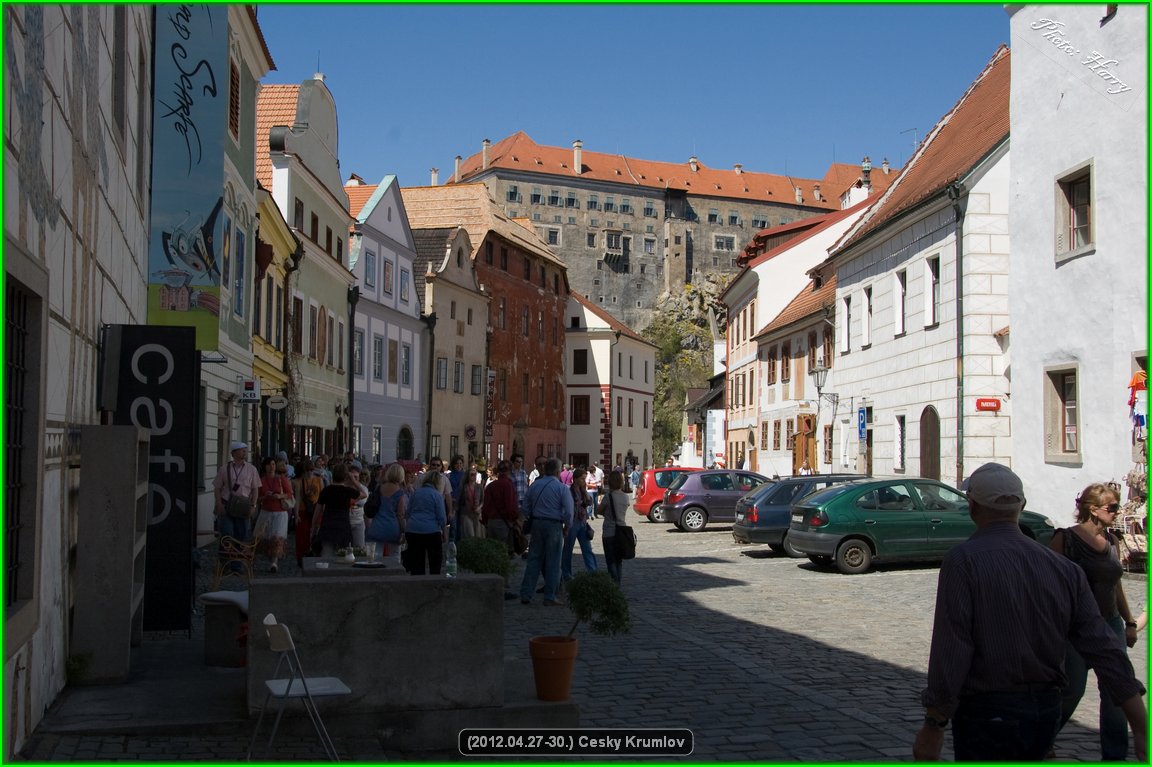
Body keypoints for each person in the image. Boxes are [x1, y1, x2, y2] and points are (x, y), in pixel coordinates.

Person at [914, 463, 1148, 763]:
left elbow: (953, 647)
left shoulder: (963, 562)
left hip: (987, 713)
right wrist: (1141, 726)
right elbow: (1106, 649)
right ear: (1021, 505)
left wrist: (934, 725)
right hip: (1044, 711)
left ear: (972, 506)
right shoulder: (1064, 569)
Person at [1049, 482, 1140, 760]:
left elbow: (1115, 586)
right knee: (1071, 692)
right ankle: (1042, 738)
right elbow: (1048, 583)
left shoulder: (1112, 542)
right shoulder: (1066, 539)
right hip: (1076, 628)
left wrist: (1129, 622)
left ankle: (1115, 756)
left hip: (1109, 625)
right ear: (1092, 509)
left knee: (1117, 692)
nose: (1117, 511)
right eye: (1112, 508)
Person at [518, 458, 573, 605]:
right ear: (557, 471)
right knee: (553, 561)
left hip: (537, 523)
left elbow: (525, 507)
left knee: (534, 559)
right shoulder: (561, 488)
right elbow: (568, 512)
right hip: (554, 525)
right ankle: (550, 596)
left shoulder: (535, 485)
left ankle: (526, 593)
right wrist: (567, 527)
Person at [213, 441, 261, 542]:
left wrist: (253, 506)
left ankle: (239, 556)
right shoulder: (224, 469)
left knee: (241, 535)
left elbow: (255, 488)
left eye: (245, 450)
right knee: (227, 534)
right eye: (242, 450)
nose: (244, 452)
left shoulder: (252, 469)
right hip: (227, 504)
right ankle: (226, 556)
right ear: (233, 453)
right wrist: (219, 503)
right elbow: (217, 487)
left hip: (243, 506)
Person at [310, 463, 362, 557]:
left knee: (326, 555)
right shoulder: (347, 491)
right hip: (343, 527)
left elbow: (317, 511)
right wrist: (354, 480)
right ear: (345, 476)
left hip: (328, 526)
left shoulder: (326, 490)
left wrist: (313, 528)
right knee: (343, 556)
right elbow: (364, 494)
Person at [254, 457, 293, 573]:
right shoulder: (261, 480)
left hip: (280, 513)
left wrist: (279, 496)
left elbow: (289, 493)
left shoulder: (282, 479)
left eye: (273, 464)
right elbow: (257, 498)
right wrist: (265, 497)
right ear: (265, 467)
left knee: (277, 537)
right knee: (264, 538)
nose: (271, 467)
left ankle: (274, 562)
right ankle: (269, 557)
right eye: (269, 464)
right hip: (266, 512)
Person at [405, 470, 449, 575]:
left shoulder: (416, 493)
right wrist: (444, 532)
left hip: (413, 529)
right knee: (435, 562)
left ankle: (417, 586)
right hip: (432, 530)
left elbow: (408, 512)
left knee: (416, 563)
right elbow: (442, 517)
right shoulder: (437, 495)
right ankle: (433, 585)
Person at [366, 463, 407, 567]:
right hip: (393, 527)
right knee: (395, 555)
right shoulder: (400, 493)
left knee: (376, 556)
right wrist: (404, 531)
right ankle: (393, 576)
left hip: (377, 526)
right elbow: (400, 514)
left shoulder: (379, 488)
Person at [562, 468, 597, 583]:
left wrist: (586, 495)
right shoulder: (569, 490)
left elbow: (590, 502)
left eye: (584, 478)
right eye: (582, 478)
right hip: (572, 523)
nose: (584, 481)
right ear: (575, 479)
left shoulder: (583, 490)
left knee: (587, 549)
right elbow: (571, 506)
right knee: (567, 550)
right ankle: (566, 574)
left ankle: (593, 573)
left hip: (582, 522)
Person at [599, 470, 631, 584]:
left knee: (610, 560)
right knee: (618, 560)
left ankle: (614, 582)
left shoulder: (608, 497)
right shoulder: (626, 497)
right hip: (622, 530)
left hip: (609, 531)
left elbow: (599, 510)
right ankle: (618, 583)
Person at [293, 458, 323, 567]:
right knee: (302, 535)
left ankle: (314, 554)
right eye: (307, 470)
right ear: (304, 471)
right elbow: (298, 499)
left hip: (316, 509)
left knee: (315, 534)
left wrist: (322, 511)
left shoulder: (319, 480)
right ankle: (301, 556)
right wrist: (296, 515)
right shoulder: (300, 482)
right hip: (303, 510)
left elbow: (322, 497)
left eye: (311, 470)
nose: (309, 472)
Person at [347, 460, 369, 549]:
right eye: (352, 477)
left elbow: (363, 500)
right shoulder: (345, 488)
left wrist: (356, 484)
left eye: (356, 477)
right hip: (347, 521)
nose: (354, 479)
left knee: (359, 547)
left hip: (359, 521)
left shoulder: (363, 488)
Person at [457, 465, 482, 539]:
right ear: (467, 476)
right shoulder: (463, 487)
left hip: (476, 514)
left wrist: (479, 508)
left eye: (475, 474)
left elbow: (483, 501)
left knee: (477, 536)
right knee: (470, 535)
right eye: (472, 474)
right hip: (466, 514)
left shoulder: (479, 487)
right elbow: (459, 500)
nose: (474, 476)